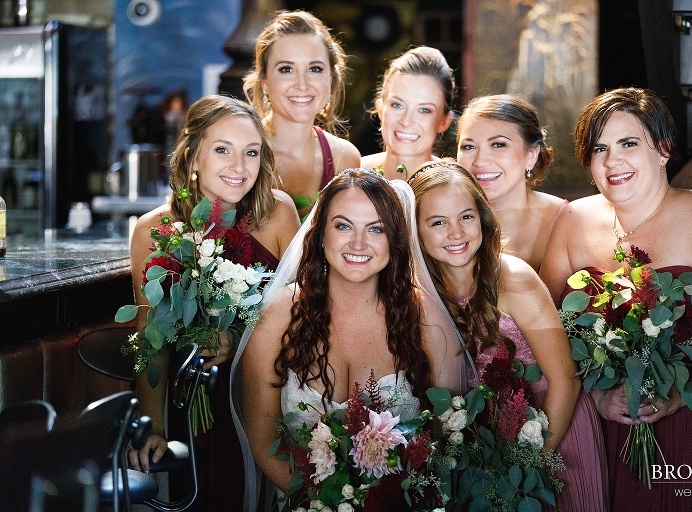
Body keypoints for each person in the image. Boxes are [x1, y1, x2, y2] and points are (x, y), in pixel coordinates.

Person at [539, 87, 692, 511]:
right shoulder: (573, 221)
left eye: (629, 144)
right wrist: (595, 398)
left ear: (663, 150)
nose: (613, 162)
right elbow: (546, 333)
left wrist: (686, 391)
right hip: (608, 432)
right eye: (599, 149)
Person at [234, 169, 470, 511]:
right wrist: (324, 506)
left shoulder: (426, 319)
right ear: (320, 235)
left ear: (395, 239)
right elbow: (263, 438)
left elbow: (445, 438)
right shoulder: (278, 316)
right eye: (343, 226)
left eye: (376, 229)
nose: (358, 244)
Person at [127, 95, 301, 511]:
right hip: (186, 403)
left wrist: (238, 336)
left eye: (251, 152)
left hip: (259, 400)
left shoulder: (277, 215)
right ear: (192, 158)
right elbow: (150, 340)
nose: (239, 166)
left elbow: (301, 320)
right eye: (222, 150)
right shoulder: (152, 230)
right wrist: (150, 429)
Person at [409, 160, 608, 511]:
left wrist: (527, 470)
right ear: (415, 231)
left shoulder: (513, 278)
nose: (456, 233)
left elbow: (565, 379)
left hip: (551, 429)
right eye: (438, 222)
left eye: (466, 217)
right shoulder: (418, 294)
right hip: (480, 444)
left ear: (482, 218)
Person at [243, 10, 361, 220]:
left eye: (314, 69)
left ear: (331, 81)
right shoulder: (240, 153)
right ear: (264, 83)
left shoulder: (345, 158)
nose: (302, 84)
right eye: (287, 69)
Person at [456, 94, 565, 271]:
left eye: (498, 145)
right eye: (469, 147)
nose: (480, 161)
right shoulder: (445, 224)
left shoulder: (567, 220)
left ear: (531, 155)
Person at [361, 46, 456, 181]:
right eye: (397, 105)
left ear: (444, 122)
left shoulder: (456, 188)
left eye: (424, 110)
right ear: (381, 110)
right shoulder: (351, 174)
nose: (406, 121)